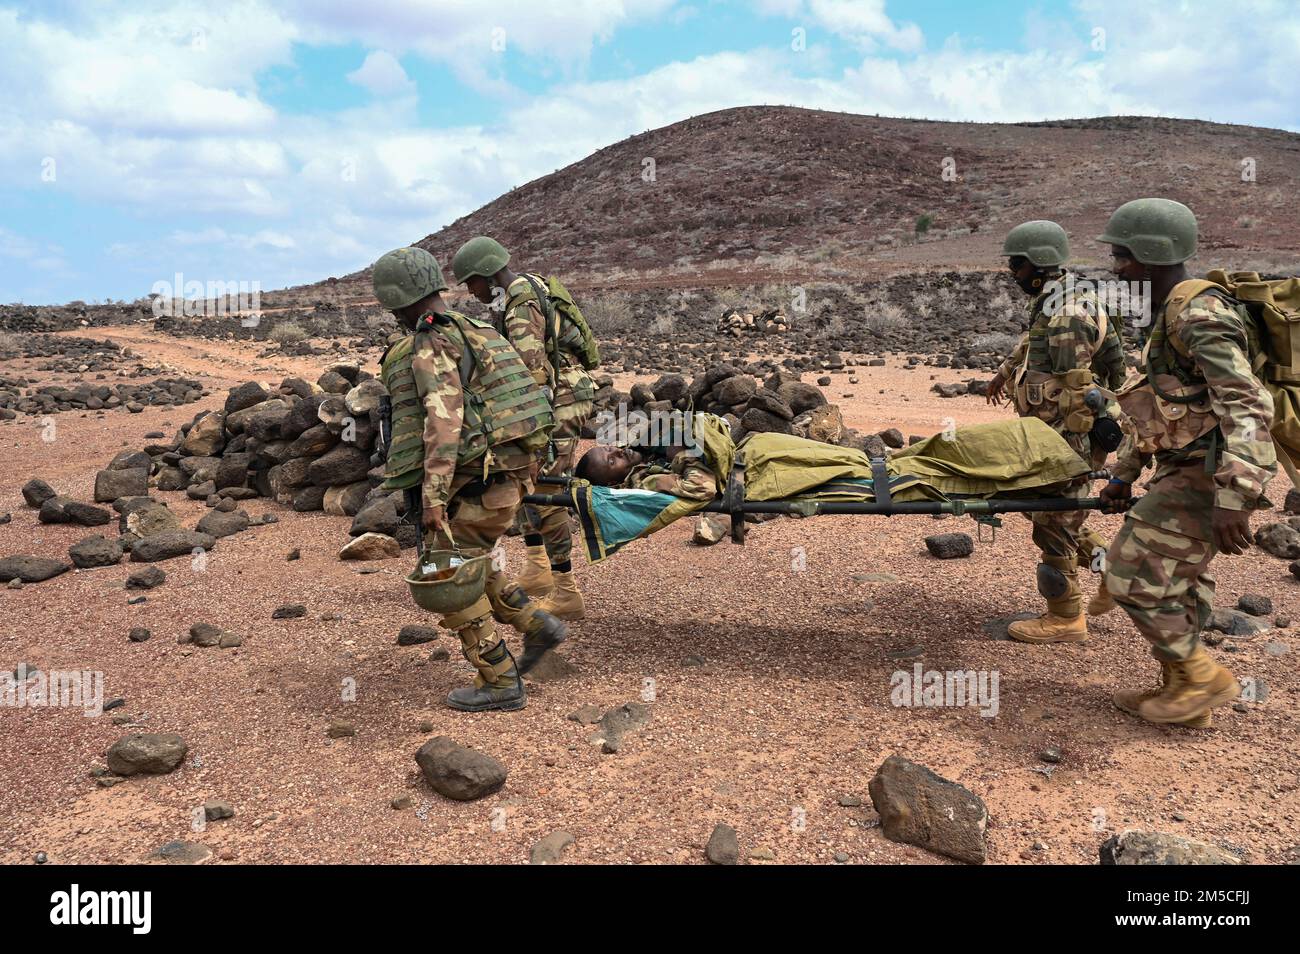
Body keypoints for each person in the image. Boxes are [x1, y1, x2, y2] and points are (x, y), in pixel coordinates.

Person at [1097, 198, 1276, 727]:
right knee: (1179, 579)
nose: (1117, 268)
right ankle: (1182, 690)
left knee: (1129, 571)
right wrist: (1124, 474)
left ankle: (1200, 677)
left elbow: (1248, 402)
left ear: (1151, 256)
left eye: (1122, 257)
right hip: (1184, 464)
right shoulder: (1171, 311)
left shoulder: (1197, 314)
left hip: (1209, 471)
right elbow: (1160, 402)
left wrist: (1237, 495)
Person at [372, 246, 566, 712]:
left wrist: (434, 495)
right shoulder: (480, 330)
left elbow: (443, 421)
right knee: (474, 557)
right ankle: (536, 623)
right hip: (510, 473)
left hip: (479, 480)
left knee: (448, 575)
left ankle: (500, 680)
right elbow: (527, 398)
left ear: (399, 301)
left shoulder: (431, 342)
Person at [985, 220, 1127, 644]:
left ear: (1040, 263)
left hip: (1067, 436)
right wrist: (1005, 373)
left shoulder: (1067, 313)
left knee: (1051, 518)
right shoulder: (1060, 299)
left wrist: (1065, 453)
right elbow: (1036, 344)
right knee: (1056, 513)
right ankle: (1113, 572)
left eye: (1017, 263)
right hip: (1056, 431)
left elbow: (1076, 390)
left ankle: (1065, 617)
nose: (1013, 271)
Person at [451, 236, 597, 620]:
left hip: (559, 398)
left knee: (546, 485)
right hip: (560, 392)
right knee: (526, 481)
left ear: (487, 274)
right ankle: (538, 568)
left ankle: (567, 592)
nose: (471, 291)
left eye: (471, 283)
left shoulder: (519, 304)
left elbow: (529, 372)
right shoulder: (527, 288)